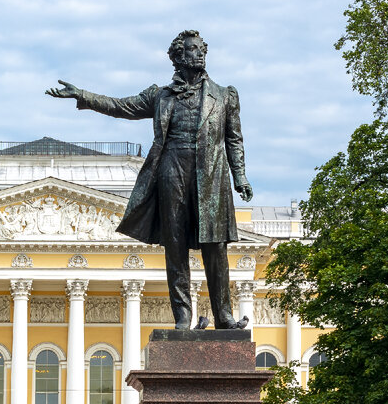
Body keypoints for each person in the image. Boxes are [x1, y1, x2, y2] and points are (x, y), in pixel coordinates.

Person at [47, 30, 252, 330]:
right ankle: (183, 317)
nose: (200, 54)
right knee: (176, 246)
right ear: (179, 57)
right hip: (172, 171)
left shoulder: (225, 96)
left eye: (202, 49)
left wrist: (241, 176)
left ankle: (224, 316)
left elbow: (234, 139)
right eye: (193, 50)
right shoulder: (160, 97)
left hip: (211, 177)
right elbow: (121, 106)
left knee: (215, 247)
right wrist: (83, 96)